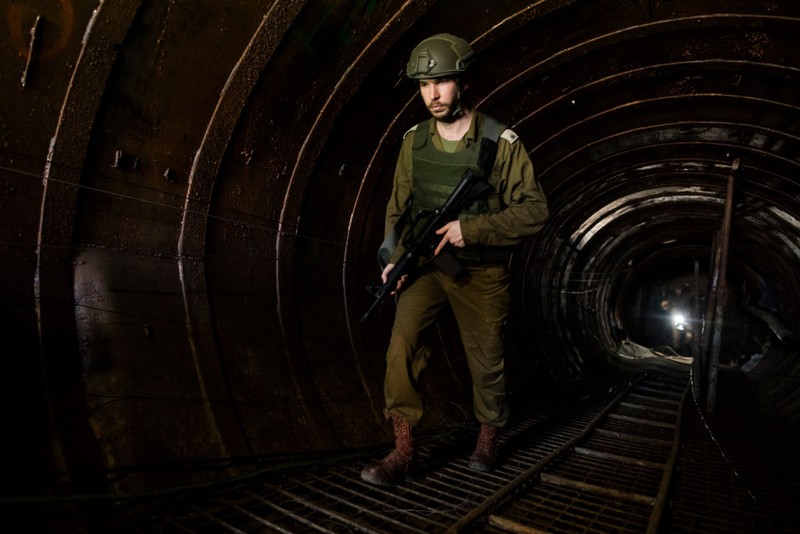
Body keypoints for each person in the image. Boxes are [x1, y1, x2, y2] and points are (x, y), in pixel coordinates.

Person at [361, 33, 549, 486]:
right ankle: (404, 449)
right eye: (424, 85)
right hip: (426, 266)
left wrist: (473, 229)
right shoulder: (414, 142)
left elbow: (535, 210)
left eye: (442, 82)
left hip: (480, 271)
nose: (432, 94)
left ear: (462, 82)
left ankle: (488, 436)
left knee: (486, 359)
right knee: (401, 349)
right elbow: (399, 207)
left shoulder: (499, 142)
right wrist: (394, 259)